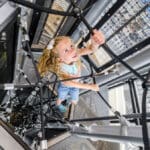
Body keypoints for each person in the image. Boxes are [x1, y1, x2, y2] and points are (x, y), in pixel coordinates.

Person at [37, 29, 105, 112]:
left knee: (75, 100)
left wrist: (95, 43)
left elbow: (90, 49)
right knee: (61, 97)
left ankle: (70, 103)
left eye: (71, 46)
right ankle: (58, 105)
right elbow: (68, 82)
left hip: (76, 85)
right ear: (60, 59)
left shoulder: (75, 53)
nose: (73, 50)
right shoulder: (60, 67)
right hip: (65, 87)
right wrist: (90, 87)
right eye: (66, 50)